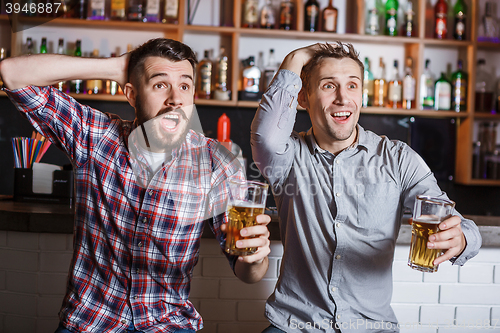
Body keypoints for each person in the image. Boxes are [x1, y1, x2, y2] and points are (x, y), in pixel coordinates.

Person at [0, 38, 271, 333]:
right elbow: (12, 73)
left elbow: (247, 271)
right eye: (159, 85)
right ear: (131, 93)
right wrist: (117, 66)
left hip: (168, 324)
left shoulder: (217, 162)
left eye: (185, 86)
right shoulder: (97, 136)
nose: (175, 99)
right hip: (90, 321)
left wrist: (255, 258)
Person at [251, 42, 481, 333]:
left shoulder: (397, 159)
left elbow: (449, 214)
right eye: (328, 86)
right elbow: (266, 138)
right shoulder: (288, 157)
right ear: (304, 98)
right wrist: (296, 58)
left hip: (371, 327)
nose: (342, 98)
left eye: (352, 85)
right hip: (295, 325)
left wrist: (461, 238)